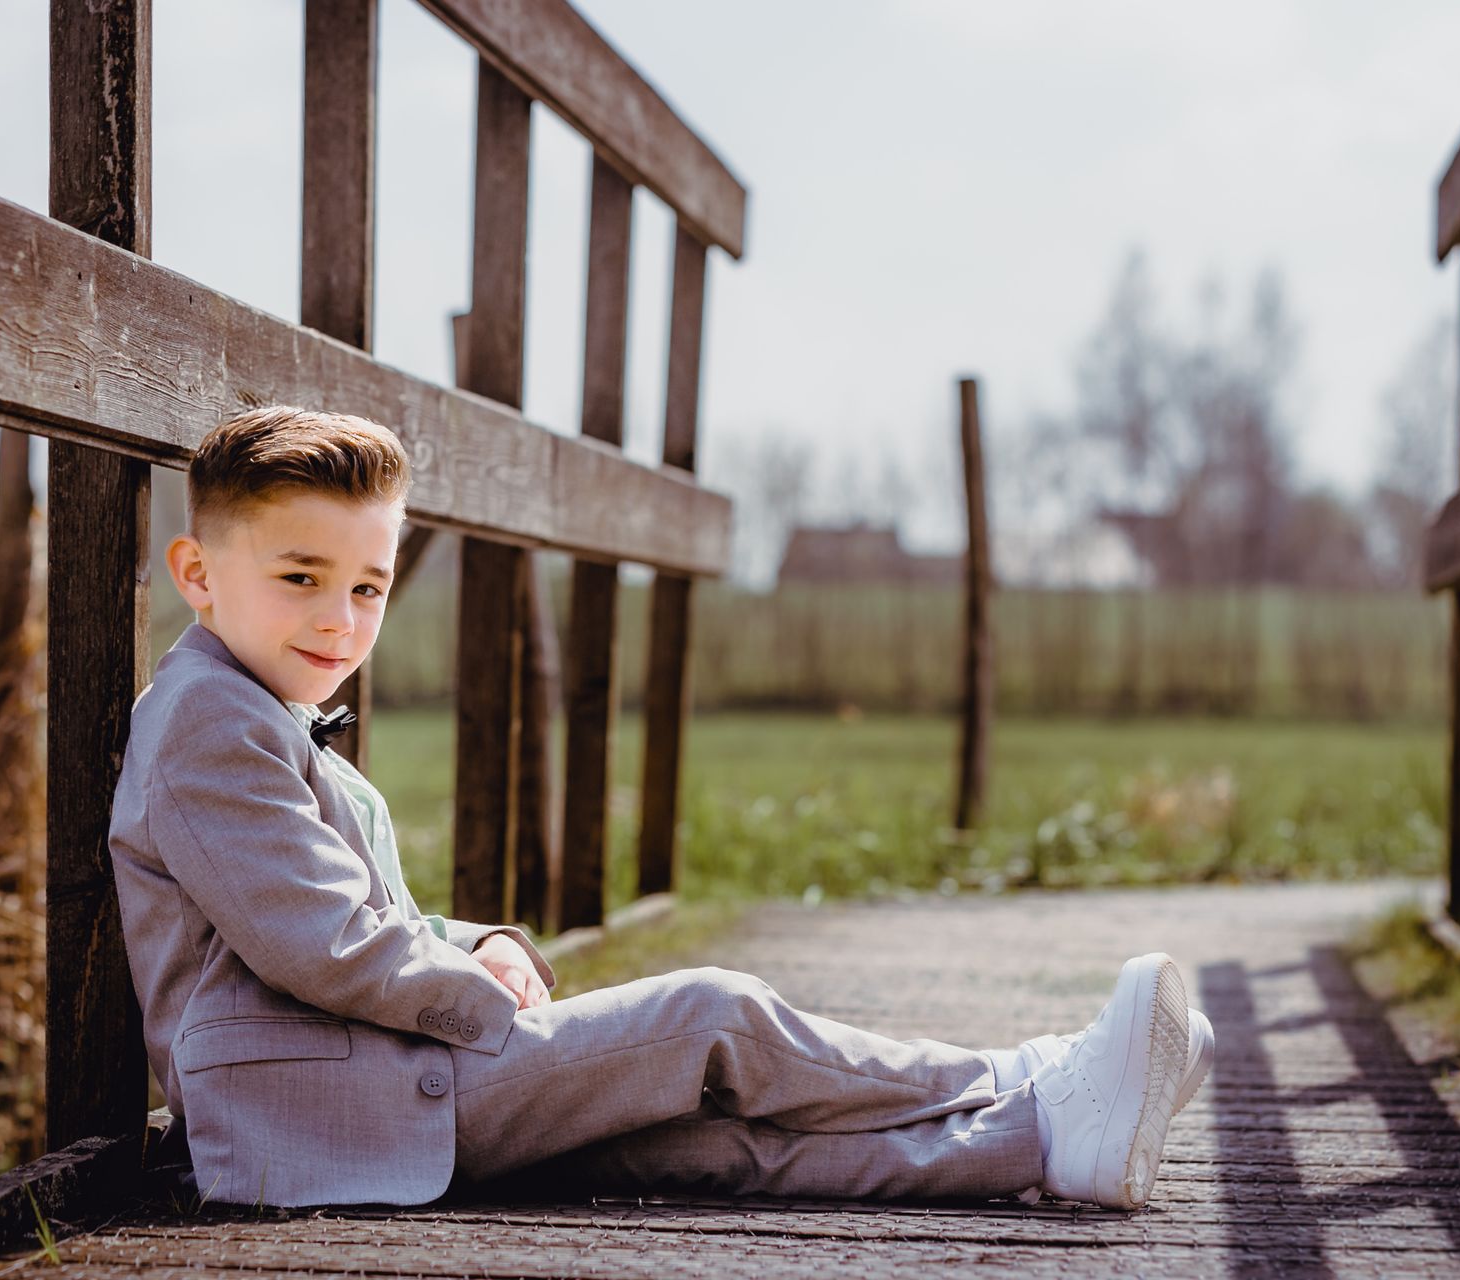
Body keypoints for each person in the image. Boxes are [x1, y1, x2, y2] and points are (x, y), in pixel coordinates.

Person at [107, 405, 1215, 1213]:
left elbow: (331, 914)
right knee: (712, 1015)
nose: (341, 620)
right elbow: (326, 943)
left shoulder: (252, 710)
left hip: (338, 1107)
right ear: (197, 571)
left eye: (369, 585)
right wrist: (495, 1008)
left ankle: (1044, 1136)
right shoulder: (210, 719)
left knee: (712, 1144)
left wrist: (477, 937)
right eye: (300, 577)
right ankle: (1022, 1072)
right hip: (335, 1096)